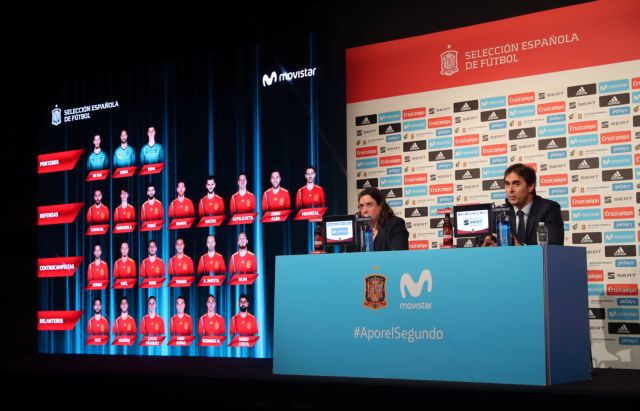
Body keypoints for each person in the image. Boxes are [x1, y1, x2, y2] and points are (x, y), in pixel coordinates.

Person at [483, 163, 564, 246]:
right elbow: (483, 247)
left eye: (516, 184)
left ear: (530, 186)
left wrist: (516, 246)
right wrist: (486, 246)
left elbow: (554, 247)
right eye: (507, 184)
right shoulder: (498, 213)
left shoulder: (548, 209)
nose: (510, 190)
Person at [357, 187, 409, 251]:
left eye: (369, 204)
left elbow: (398, 254)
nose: (364, 210)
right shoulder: (358, 229)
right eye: (361, 206)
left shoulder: (395, 225)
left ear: (380, 206)